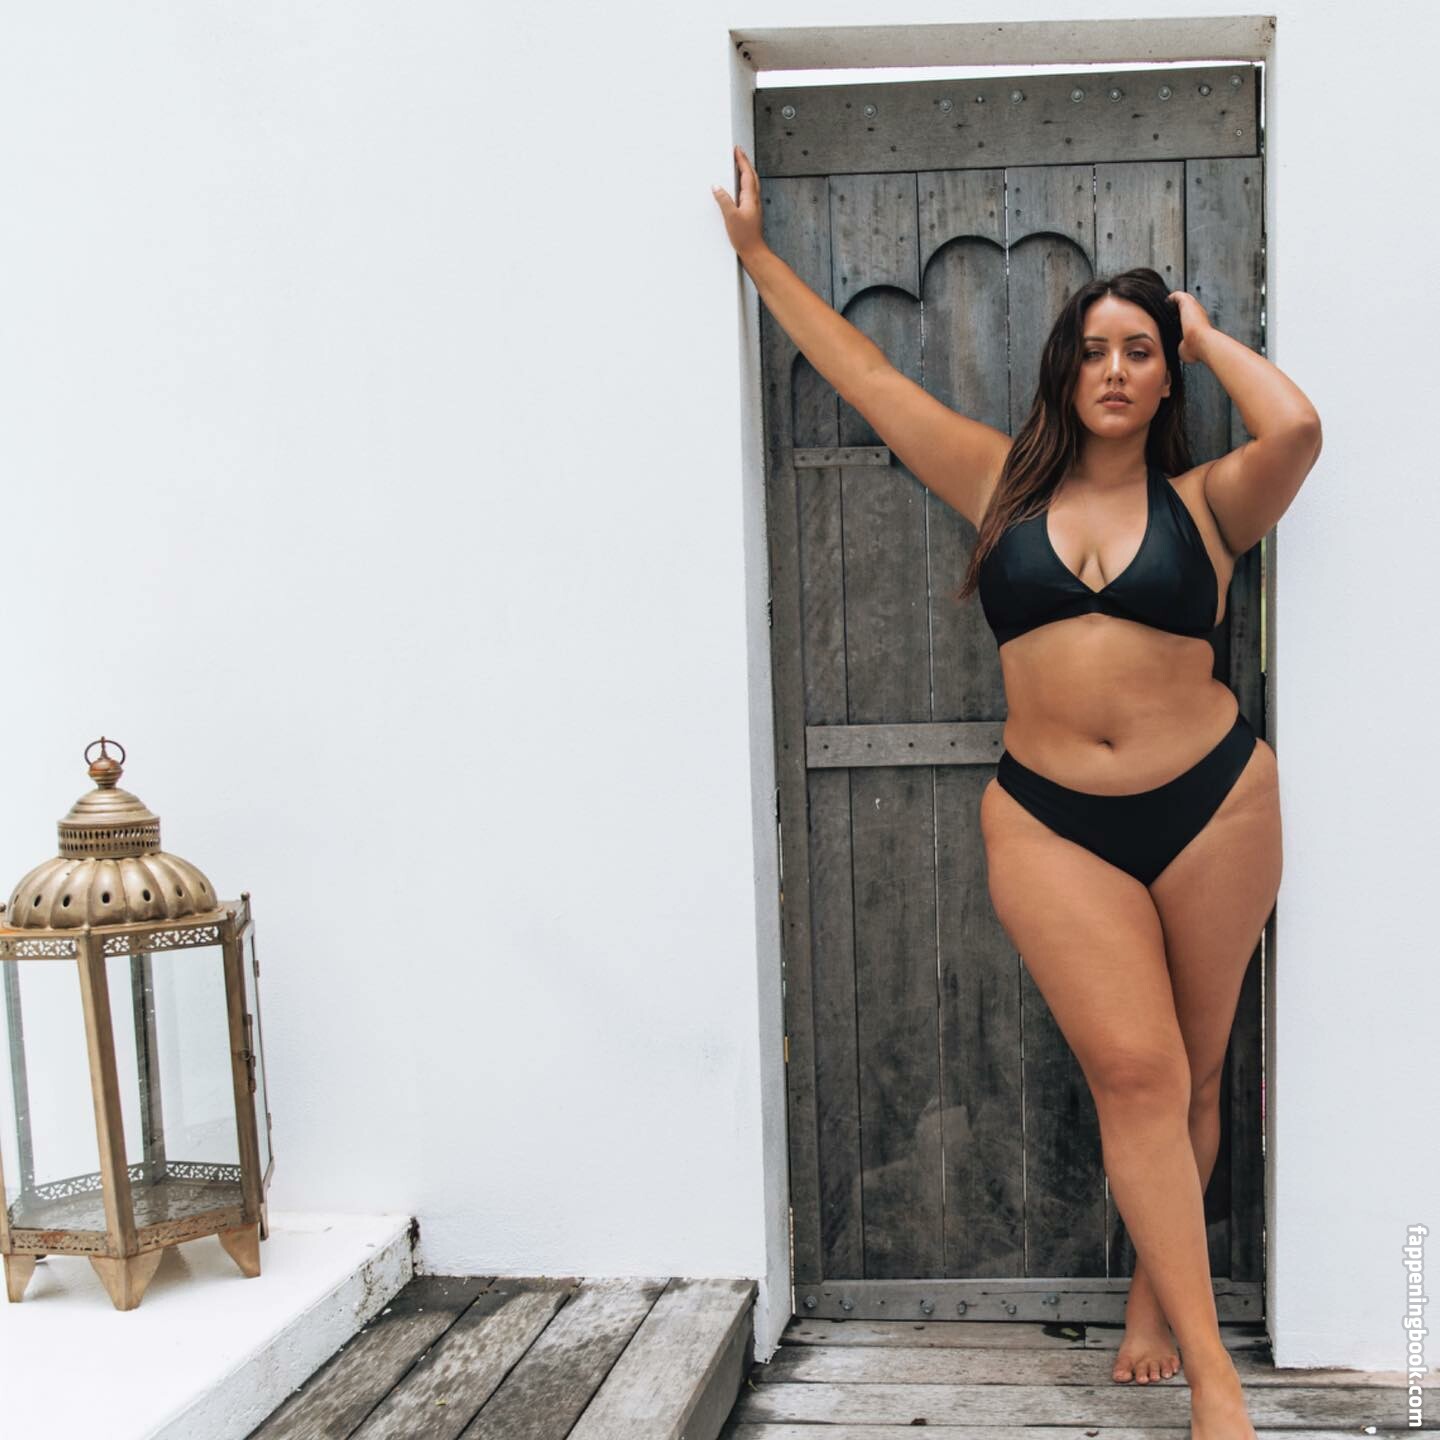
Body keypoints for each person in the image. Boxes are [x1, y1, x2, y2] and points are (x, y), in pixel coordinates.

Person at [713, 143, 1320, 1440]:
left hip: (1214, 806)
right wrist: (759, 259)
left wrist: (1204, 331)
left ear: (1165, 376)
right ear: (1064, 371)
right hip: (1054, 822)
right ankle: (1217, 1386)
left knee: (1197, 1077)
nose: (1116, 370)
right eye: (1094, 350)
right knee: (1139, 1073)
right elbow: (870, 379)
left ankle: (1158, 1302)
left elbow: (1300, 430)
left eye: (1139, 352)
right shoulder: (998, 484)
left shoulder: (1212, 504)